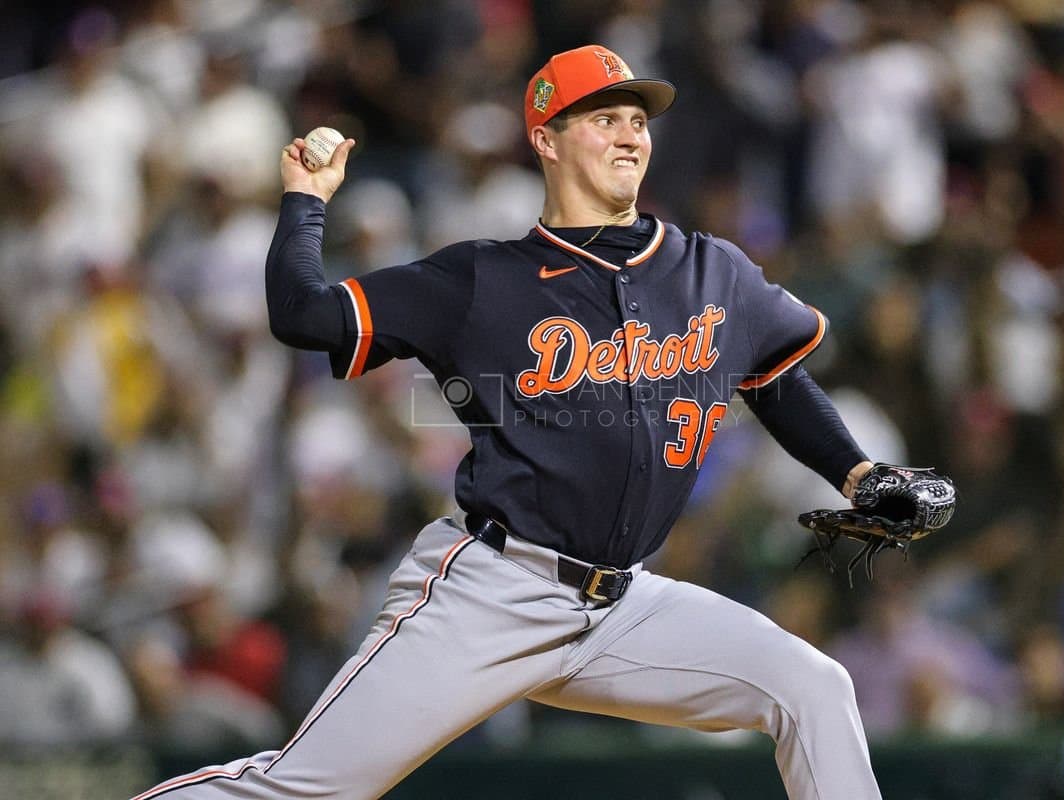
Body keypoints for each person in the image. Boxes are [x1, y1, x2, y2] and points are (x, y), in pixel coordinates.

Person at [134, 44, 940, 800]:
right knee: (308, 788)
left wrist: (859, 473)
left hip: (624, 605)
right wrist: (306, 204)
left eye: (637, 120)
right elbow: (304, 315)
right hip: (492, 590)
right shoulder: (484, 279)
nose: (629, 134)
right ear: (546, 140)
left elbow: (777, 379)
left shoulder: (709, 269)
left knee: (812, 687)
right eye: (603, 118)